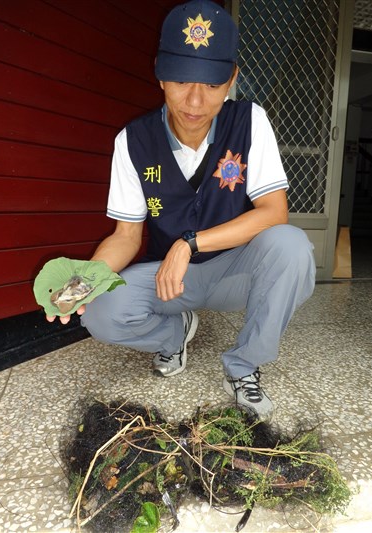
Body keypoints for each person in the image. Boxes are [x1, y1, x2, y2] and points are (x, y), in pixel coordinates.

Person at [47, 0, 316, 420]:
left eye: (211, 83)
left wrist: (190, 243)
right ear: (159, 73)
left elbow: (273, 212)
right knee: (100, 312)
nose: (194, 100)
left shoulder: (249, 121)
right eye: (180, 80)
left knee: (292, 247)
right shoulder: (133, 141)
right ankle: (175, 333)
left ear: (232, 79)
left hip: (234, 271)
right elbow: (125, 235)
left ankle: (244, 364)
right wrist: (84, 283)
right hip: (170, 281)